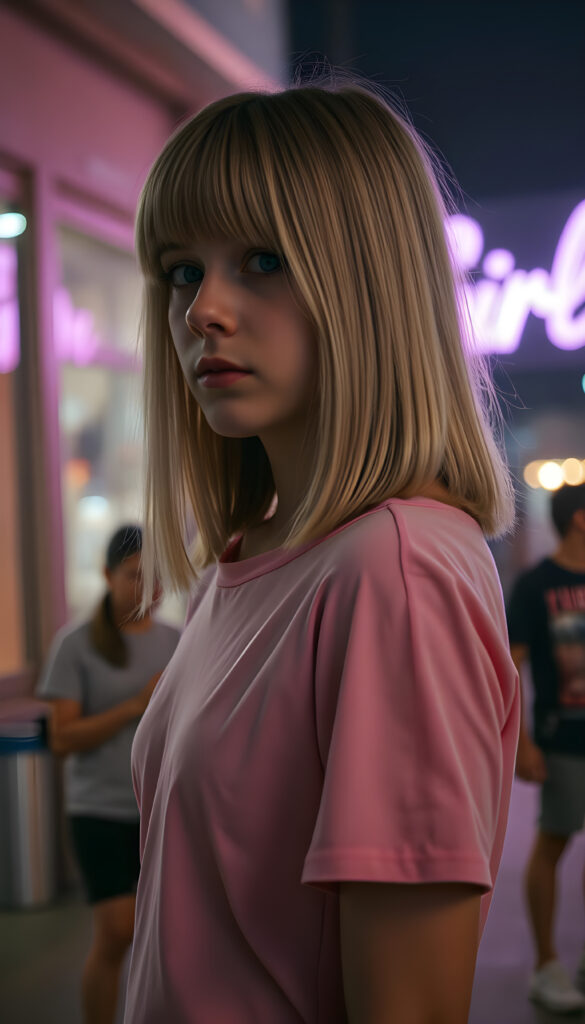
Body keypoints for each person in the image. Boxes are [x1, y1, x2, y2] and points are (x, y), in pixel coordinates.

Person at [124, 81, 520, 1024]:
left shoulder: (396, 569)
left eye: (262, 260)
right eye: (182, 270)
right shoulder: (254, 559)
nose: (203, 310)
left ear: (369, 282)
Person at [38, 525, 180, 1024]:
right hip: (98, 808)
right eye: (135, 576)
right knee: (117, 932)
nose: (149, 589)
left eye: (157, 577)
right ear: (107, 576)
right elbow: (62, 738)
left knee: (165, 941)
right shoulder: (75, 645)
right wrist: (135, 706)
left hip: (158, 810)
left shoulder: (179, 640)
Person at [507, 482, 585, 1014]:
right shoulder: (536, 585)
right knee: (553, 845)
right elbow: (512, 668)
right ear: (579, 519)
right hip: (562, 740)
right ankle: (546, 966)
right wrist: (522, 744)